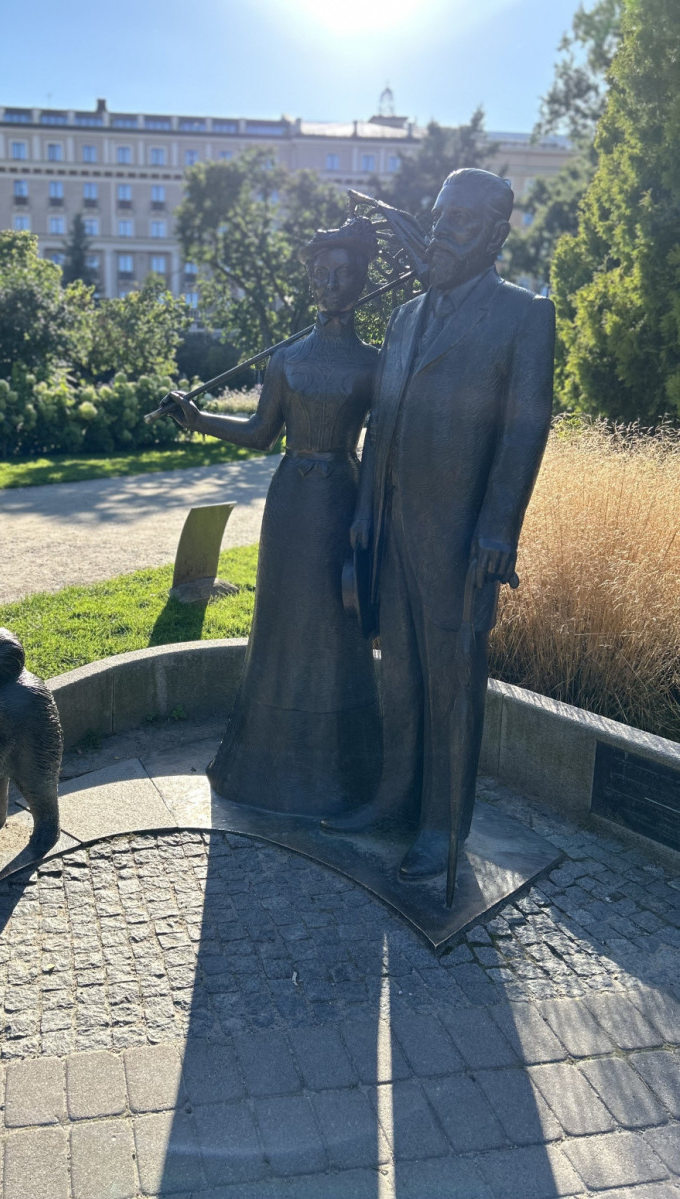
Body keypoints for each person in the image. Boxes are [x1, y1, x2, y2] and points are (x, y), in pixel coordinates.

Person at [323, 170, 555, 879]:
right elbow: (384, 421)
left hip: (458, 538)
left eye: (460, 220)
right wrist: (365, 512)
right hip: (391, 528)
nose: (441, 231)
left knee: (451, 682)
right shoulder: (404, 317)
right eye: (439, 216)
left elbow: (525, 429)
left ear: (495, 233)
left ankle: (442, 827)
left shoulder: (523, 315)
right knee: (398, 675)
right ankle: (394, 798)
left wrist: (498, 530)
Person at [167, 218, 384, 817]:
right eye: (322, 274)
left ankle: (339, 767)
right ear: (310, 281)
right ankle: (264, 761)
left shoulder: (376, 363)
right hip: (291, 504)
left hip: (343, 500)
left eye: (344, 274)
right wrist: (199, 420)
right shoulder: (286, 359)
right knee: (282, 624)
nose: (332, 284)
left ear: (361, 281)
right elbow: (262, 432)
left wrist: (368, 513)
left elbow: (383, 447)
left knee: (335, 626)